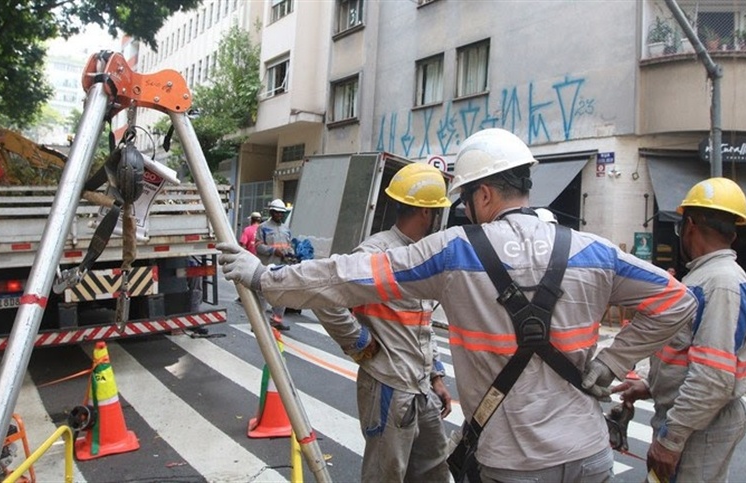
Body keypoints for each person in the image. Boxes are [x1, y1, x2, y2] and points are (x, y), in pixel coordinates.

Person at [218, 128, 696, 480]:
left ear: (484, 193)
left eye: (465, 200)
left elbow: (348, 276)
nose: (463, 211)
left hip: (513, 463)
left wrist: (264, 278)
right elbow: (678, 301)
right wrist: (613, 361)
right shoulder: (593, 250)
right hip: (590, 456)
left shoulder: (455, 252)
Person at [612, 177, 746, 482]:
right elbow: (687, 354)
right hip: (694, 421)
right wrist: (650, 384)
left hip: (700, 427)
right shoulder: (705, 278)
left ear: (689, 225)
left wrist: (672, 440)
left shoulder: (720, 283)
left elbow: (712, 378)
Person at [313, 163, 453, 483]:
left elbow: (421, 323)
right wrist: (360, 342)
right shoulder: (376, 252)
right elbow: (325, 298)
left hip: (420, 386)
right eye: (436, 211)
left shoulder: (420, 252)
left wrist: (436, 376)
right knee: (385, 475)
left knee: (435, 470)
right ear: (426, 212)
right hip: (388, 386)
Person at [255, 199, 295, 331]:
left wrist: (291, 254)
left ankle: (276, 321)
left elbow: (289, 246)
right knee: (262, 295)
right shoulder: (263, 227)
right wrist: (273, 250)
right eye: (277, 212)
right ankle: (259, 323)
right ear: (271, 212)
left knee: (282, 293)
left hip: (282, 266)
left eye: (281, 213)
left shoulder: (286, 229)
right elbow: (258, 246)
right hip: (267, 266)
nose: (279, 215)